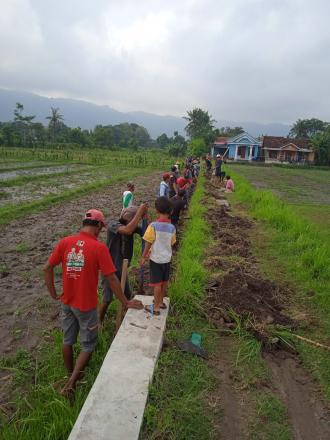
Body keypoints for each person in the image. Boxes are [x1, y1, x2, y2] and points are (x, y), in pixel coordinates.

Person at [44, 209, 143, 396]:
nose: (100, 231)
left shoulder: (66, 242)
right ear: (98, 225)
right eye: (101, 227)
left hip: (67, 301)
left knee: (68, 340)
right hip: (86, 305)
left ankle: (69, 375)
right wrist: (126, 301)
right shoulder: (99, 248)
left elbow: (47, 267)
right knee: (88, 344)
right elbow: (112, 279)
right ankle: (72, 384)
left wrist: (53, 293)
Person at [99, 204, 148, 323]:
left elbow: (146, 233)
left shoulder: (131, 226)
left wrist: (145, 218)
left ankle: (126, 318)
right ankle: (99, 321)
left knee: (127, 295)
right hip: (110, 269)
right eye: (135, 218)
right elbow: (127, 230)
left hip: (123, 269)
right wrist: (140, 212)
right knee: (107, 299)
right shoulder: (113, 224)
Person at [140, 197, 176, 315]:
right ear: (170, 211)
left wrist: (144, 256)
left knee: (156, 284)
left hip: (156, 259)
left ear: (157, 211)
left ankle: (155, 308)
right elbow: (172, 242)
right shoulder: (172, 227)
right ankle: (160, 302)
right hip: (167, 259)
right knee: (164, 282)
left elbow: (148, 242)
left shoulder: (153, 226)